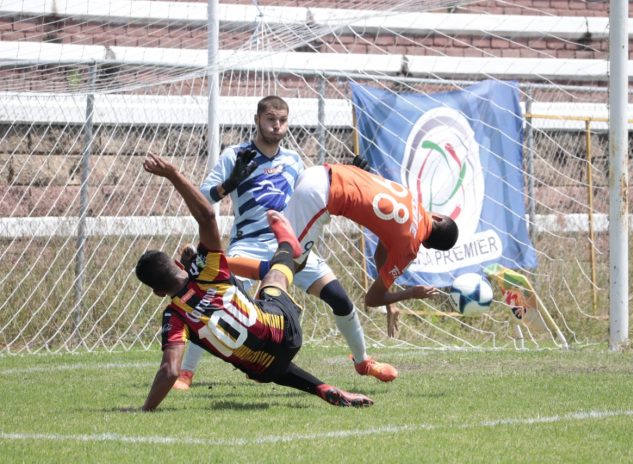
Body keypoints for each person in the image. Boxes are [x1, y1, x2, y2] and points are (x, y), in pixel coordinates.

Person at [173, 95, 397, 390]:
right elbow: (202, 198)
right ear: (257, 120)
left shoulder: (293, 160)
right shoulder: (234, 156)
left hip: (289, 244)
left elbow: (316, 190)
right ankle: (186, 373)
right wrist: (230, 184)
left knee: (340, 299)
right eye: (270, 119)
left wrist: (354, 175)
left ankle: (363, 362)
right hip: (248, 244)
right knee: (215, 300)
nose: (276, 126)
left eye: (282, 121)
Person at [132, 154, 373, 411]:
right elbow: (207, 216)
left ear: (158, 292)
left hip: (265, 368)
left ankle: (319, 387)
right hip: (286, 329)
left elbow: (170, 370)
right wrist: (173, 174)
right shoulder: (207, 271)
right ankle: (286, 246)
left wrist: (145, 410)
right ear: (178, 265)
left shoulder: (174, 316)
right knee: (273, 278)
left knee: (259, 360)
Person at [283, 162, 459, 332]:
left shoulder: (410, 198)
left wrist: (390, 304)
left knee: (293, 259)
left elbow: (379, 257)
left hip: (318, 172)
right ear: (427, 246)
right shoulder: (409, 248)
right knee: (290, 261)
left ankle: (274, 302)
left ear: (437, 217)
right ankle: (272, 309)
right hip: (319, 196)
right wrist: (411, 293)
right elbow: (371, 300)